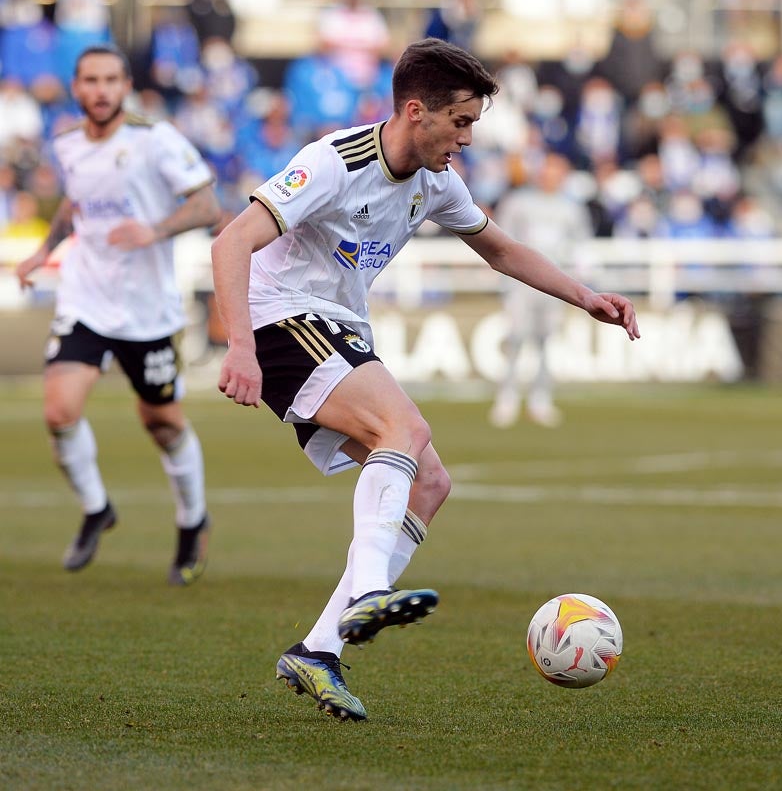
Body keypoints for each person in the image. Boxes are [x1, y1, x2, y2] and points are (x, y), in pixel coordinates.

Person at [212, 38, 640, 722]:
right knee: (404, 429)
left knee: (431, 481)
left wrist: (584, 296)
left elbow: (499, 248)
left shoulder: (437, 179)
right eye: (461, 123)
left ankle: (318, 651)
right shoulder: (333, 163)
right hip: (279, 321)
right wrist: (239, 348)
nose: (468, 138)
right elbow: (231, 240)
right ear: (417, 112)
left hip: (339, 329)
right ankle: (368, 594)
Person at [15, 43, 220, 584]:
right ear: (76, 87)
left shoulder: (155, 139)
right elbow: (75, 200)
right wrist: (44, 249)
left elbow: (207, 204)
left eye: (111, 80)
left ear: (126, 86)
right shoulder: (67, 143)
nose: (100, 90)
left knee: (161, 421)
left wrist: (152, 230)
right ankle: (96, 508)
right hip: (85, 298)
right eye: (90, 80)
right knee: (59, 412)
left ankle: (192, 519)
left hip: (146, 308)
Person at [489, 151, 592, 428]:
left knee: (545, 341)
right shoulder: (519, 202)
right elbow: (501, 240)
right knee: (516, 338)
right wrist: (506, 283)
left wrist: (582, 278)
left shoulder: (572, 208)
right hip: (521, 284)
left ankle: (540, 398)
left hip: (556, 285)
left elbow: (581, 245)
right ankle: (507, 396)